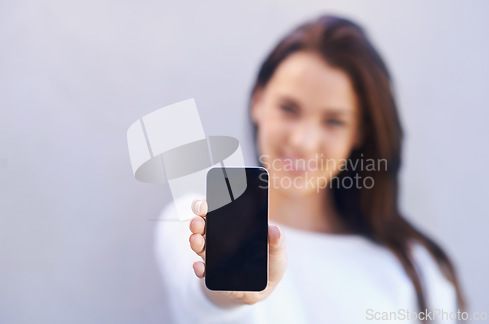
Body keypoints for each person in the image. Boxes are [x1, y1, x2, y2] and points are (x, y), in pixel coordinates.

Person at [155, 15, 465, 323]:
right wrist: (226, 291)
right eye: (289, 108)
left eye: (334, 121)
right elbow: (200, 304)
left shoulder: (415, 268)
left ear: (359, 132)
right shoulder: (194, 219)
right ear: (258, 101)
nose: (303, 141)